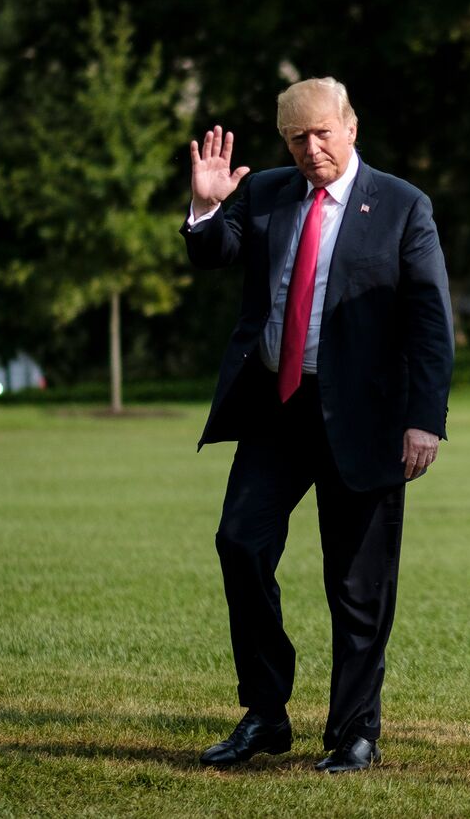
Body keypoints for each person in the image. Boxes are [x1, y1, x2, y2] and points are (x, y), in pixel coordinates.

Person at [182, 77, 454, 772]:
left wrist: (425, 420)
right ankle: (266, 713)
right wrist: (207, 208)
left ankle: (355, 730)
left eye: (322, 133)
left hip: (367, 418)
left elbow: (430, 321)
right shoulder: (268, 190)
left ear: (351, 127)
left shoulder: (401, 206)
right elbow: (215, 254)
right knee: (239, 544)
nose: (311, 149)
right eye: (297, 138)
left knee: (358, 584)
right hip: (278, 408)